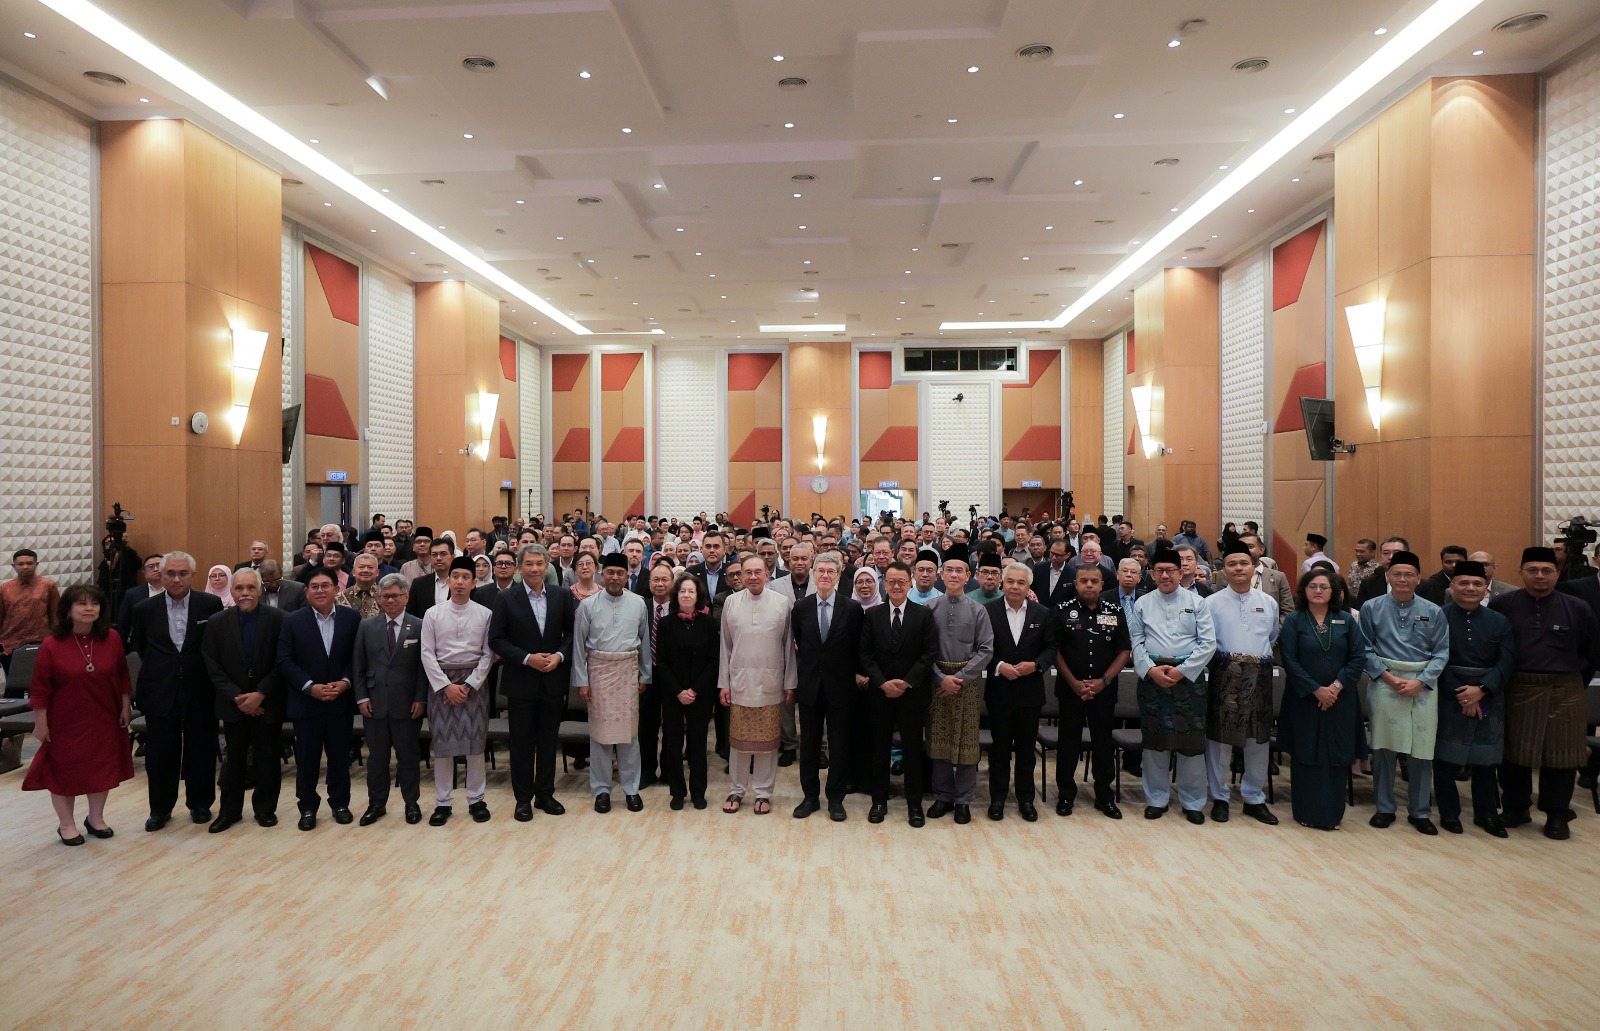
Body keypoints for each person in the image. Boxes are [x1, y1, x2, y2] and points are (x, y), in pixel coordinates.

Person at [1490, 547, 1600, 839]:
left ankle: (1557, 814)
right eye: (1533, 570)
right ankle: (1515, 808)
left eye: (1546, 570)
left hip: (1565, 689)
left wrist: (1570, 681)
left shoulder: (1577, 608)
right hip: (1518, 687)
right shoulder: (1503, 605)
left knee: (1561, 756)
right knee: (1514, 754)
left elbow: (1591, 652)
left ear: (1557, 574)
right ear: (1521, 572)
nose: (1539, 576)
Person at [23, 585, 134, 845]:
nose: (89, 608)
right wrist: (41, 723)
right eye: (82, 603)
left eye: (94, 604)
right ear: (68, 610)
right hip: (64, 720)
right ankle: (66, 824)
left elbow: (122, 676)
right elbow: (40, 688)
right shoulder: (51, 644)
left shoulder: (112, 638)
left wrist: (125, 706)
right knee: (64, 772)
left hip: (104, 715)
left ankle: (95, 818)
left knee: (101, 767)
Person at [129, 551, 224, 830]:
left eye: (183, 573)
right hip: (160, 688)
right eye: (170, 573)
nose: (176, 579)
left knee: (201, 747)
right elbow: (141, 647)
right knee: (161, 752)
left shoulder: (210, 604)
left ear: (192, 575)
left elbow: (216, 644)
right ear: (161, 575)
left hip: (201, 687)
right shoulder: (144, 609)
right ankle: (160, 809)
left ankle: (200, 804)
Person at [1361, 551, 1449, 834]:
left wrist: (1421, 682)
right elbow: (1364, 649)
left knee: (1422, 750)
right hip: (1385, 683)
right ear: (1388, 576)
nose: (1402, 579)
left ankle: (1420, 811)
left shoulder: (1434, 611)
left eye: (1408, 574)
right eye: (1397, 574)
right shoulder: (1371, 607)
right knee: (1384, 748)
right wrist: (1388, 677)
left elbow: (1442, 652)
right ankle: (1384, 808)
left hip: (1423, 685)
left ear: (1418, 578)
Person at [1129, 546, 1217, 824]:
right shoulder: (1142, 603)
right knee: (1154, 743)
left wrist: (1182, 671)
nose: (1165, 575)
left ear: (1181, 573)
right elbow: (1136, 641)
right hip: (1153, 679)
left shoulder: (1198, 602)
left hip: (1187, 680)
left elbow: (1208, 643)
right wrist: (1150, 670)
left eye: (1170, 570)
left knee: (1191, 743)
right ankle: (1156, 799)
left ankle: (1193, 802)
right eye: (1160, 571)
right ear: (1152, 574)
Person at [489, 543, 575, 821]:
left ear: (547, 566)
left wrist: (559, 656)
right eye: (529, 564)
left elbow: (572, 634)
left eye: (540, 563)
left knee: (549, 742)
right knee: (521, 744)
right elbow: (497, 640)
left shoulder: (562, 595)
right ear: (519, 567)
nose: (535, 569)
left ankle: (545, 794)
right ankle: (523, 799)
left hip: (552, 679)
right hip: (521, 680)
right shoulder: (506, 598)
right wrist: (527, 658)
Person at [1277, 568, 1368, 830]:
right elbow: (1289, 660)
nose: (1318, 591)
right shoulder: (1294, 620)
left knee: (1336, 755)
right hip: (1304, 699)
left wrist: (1335, 688)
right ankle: (1305, 812)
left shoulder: (1346, 620)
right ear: (1304, 591)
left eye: (1324, 587)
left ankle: (1332, 815)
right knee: (1306, 754)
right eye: (1313, 586)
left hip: (1341, 700)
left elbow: (1358, 657)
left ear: (1334, 592)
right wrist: (1316, 690)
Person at [1434, 561, 1516, 837]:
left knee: (1486, 759)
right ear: (1452, 585)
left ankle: (1487, 814)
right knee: (1445, 758)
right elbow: (1433, 658)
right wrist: (1462, 694)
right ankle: (1449, 813)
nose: (1470, 588)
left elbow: (1507, 660)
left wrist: (1481, 690)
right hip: (1449, 694)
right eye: (1464, 583)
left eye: (1477, 584)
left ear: (1485, 588)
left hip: (1489, 695)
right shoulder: (1438, 616)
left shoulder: (1499, 620)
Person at [200, 568, 285, 832]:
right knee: (233, 760)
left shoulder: (279, 618)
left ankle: (265, 809)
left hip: (267, 702)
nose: (245, 593)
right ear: (232, 591)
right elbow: (212, 663)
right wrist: (237, 697)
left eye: (250, 588)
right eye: (239, 588)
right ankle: (230, 811)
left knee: (267, 759)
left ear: (260, 590)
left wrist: (260, 694)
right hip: (233, 704)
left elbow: (283, 661)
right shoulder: (217, 621)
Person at [275, 567, 360, 831]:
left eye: (325, 586)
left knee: (339, 757)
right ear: (306, 591)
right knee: (307, 759)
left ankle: (340, 804)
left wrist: (345, 682)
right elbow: (284, 660)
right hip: (306, 702)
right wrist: (309, 687)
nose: (320, 590)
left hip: (340, 701)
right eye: (315, 586)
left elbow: (357, 657)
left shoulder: (351, 618)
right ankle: (308, 807)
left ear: (337, 589)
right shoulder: (292, 620)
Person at [1202, 541, 1281, 825]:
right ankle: (1220, 798)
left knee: (1257, 740)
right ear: (1224, 569)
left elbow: (1271, 637)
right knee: (1220, 741)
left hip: (1259, 677)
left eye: (1243, 563)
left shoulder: (1268, 602)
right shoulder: (1211, 603)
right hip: (1225, 675)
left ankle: (1253, 798)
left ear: (1254, 567)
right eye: (1232, 564)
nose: (1238, 568)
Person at [571, 553, 652, 813]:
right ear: (602, 574)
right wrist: (582, 681)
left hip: (628, 673)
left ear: (627, 576)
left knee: (629, 736)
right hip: (598, 674)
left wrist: (645, 675)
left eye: (620, 573)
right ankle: (601, 790)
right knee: (600, 737)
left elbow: (644, 643)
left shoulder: (638, 603)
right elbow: (578, 646)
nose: (615, 577)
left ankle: (631, 789)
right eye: (610, 572)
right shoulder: (588, 605)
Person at [859, 561, 938, 827]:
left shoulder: (923, 614)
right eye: (891, 581)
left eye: (901, 582)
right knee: (879, 748)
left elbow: (929, 653)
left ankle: (914, 804)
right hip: (880, 694)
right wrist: (883, 683)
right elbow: (865, 655)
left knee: (913, 750)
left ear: (910, 583)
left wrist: (906, 682)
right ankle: (879, 801)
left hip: (912, 693)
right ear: (884, 584)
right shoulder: (873, 615)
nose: (896, 586)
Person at [717, 554, 797, 814]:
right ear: (740, 575)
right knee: (738, 742)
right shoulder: (731, 602)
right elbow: (725, 646)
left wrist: (789, 683)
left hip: (770, 681)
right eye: (747, 572)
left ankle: (763, 793)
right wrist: (724, 683)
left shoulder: (782, 603)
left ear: (767, 574)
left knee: (768, 743)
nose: (752, 576)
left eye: (758, 572)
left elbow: (788, 647)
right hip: (739, 681)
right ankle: (736, 790)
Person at [1050, 563, 1130, 820]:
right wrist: (1074, 683)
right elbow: (1055, 651)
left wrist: (1103, 681)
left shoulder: (1114, 611)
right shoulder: (1062, 611)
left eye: (1094, 581)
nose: (1088, 585)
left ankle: (1104, 796)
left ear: (1102, 584)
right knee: (1068, 743)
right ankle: (1065, 794)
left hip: (1103, 690)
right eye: (1083, 580)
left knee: (1103, 743)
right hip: (1070, 689)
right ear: (1075, 584)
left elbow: (1124, 651)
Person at [420, 556, 495, 826]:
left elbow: (488, 654)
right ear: (448, 581)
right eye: (455, 577)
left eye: (466, 577)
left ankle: (476, 799)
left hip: (474, 684)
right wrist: (445, 686)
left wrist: (470, 683)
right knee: (443, 746)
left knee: (475, 745)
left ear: (474, 583)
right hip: (442, 684)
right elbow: (427, 654)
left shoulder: (485, 614)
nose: (460, 582)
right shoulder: (433, 613)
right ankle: (443, 802)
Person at [923, 547, 994, 824]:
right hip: (937, 681)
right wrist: (940, 678)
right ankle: (943, 796)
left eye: (959, 570)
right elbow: (922, 650)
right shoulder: (929, 609)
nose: (953, 575)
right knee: (938, 740)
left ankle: (963, 799)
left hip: (968, 683)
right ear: (941, 575)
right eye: (949, 570)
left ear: (967, 576)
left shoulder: (978, 610)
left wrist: (960, 678)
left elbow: (986, 649)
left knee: (966, 743)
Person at [790, 552, 863, 821]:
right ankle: (810, 797)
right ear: (813, 574)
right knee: (809, 745)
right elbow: (800, 642)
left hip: (841, 686)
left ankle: (835, 799)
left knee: (839, 745)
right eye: (820, 571)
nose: (825, 575)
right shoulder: (801, 607)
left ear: (839, 575)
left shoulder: (852, 609)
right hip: (810, 685)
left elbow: (856, 647)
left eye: (830, 571)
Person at [351, 573, 428, 826]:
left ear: (406, 597)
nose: (390, 600)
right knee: (377, 759)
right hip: (375, 703)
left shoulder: (419, 625)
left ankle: (411, 803)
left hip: (408, 704)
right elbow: (358, 665)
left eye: (395, 596)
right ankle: (376, 804)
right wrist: (361, 697)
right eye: (385, 596)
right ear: (379, 598)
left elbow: (424, 667)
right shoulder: (366, 626)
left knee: (408, 757)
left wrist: (421, 698)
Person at [984, 563, 1057, 821]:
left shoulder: (1043, 613)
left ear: (1028, 587)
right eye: (1010, 581)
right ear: (1002, 584)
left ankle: (1026, 799)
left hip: (1030, 692)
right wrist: (999, 666)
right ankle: (997, 798)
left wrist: (1035, 665)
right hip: (999, 692)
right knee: (999, 749)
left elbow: (1051, 648)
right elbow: (981, 648)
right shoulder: (988, 611)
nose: (1015, 586)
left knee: (1026, 750)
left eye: (1021, 582)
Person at [656, 571, 719, 811]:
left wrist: (694, 690)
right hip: (673, 694)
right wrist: (679, 691)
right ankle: (677, 792)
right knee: (672, 745)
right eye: (682, 591)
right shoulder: (666, 623)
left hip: (700, 694)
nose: (686, 595)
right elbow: (661, 662)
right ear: (676, 595)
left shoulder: (708, 623)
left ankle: (698, 792)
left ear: (697, 595)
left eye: (691, 591)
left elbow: (713, 661)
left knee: (697, 745)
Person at [639, 562, 675, 787]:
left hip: (672, 676)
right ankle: (646, 771)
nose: (660, 584)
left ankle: (669, 771)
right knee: (646, 727)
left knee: (671, 726)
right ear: (649, 582)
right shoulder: (640, 606)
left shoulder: (680, 608)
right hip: (645, 675)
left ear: (672, 583)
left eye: (664, 579)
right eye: (655, 579)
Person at [1, 548, 61, 672]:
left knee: (43, 680)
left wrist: (57, 642)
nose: (25, 567)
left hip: (41, 643)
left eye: (29, 563)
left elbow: (55, 615)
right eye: (20, 564)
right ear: (13, 566)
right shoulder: (4, 589)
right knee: (14, 682)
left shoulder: (48, 586)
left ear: (36, 564)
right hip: (11, 645)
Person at [1240, 533, 1293, 623]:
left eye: (1250, 546)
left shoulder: (1278, 577)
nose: (1245, 550)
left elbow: (1287, 611)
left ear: (1261, 549)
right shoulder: (1226, 575)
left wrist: (1275, 630)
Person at [116, 553, 165, 642]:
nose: (155, 569)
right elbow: (123, 625)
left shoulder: (176, 591)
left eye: (159, 565)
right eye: (150, 567)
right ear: (144, 572)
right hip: (142, 644)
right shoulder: (132, 594)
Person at [406, 539, 455, 618]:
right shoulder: (419, 584)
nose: (438, 558)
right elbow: (411, 615)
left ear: (453, 557)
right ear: (430, 558)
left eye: (443, 554)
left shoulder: (461, 583)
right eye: (434, 554)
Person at [336, 553, 382, 618]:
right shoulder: (340, 597)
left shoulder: (385, 596)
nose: (366, 570)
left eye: (370, 567)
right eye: (361, 567)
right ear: (353, 572)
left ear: (377, 572)